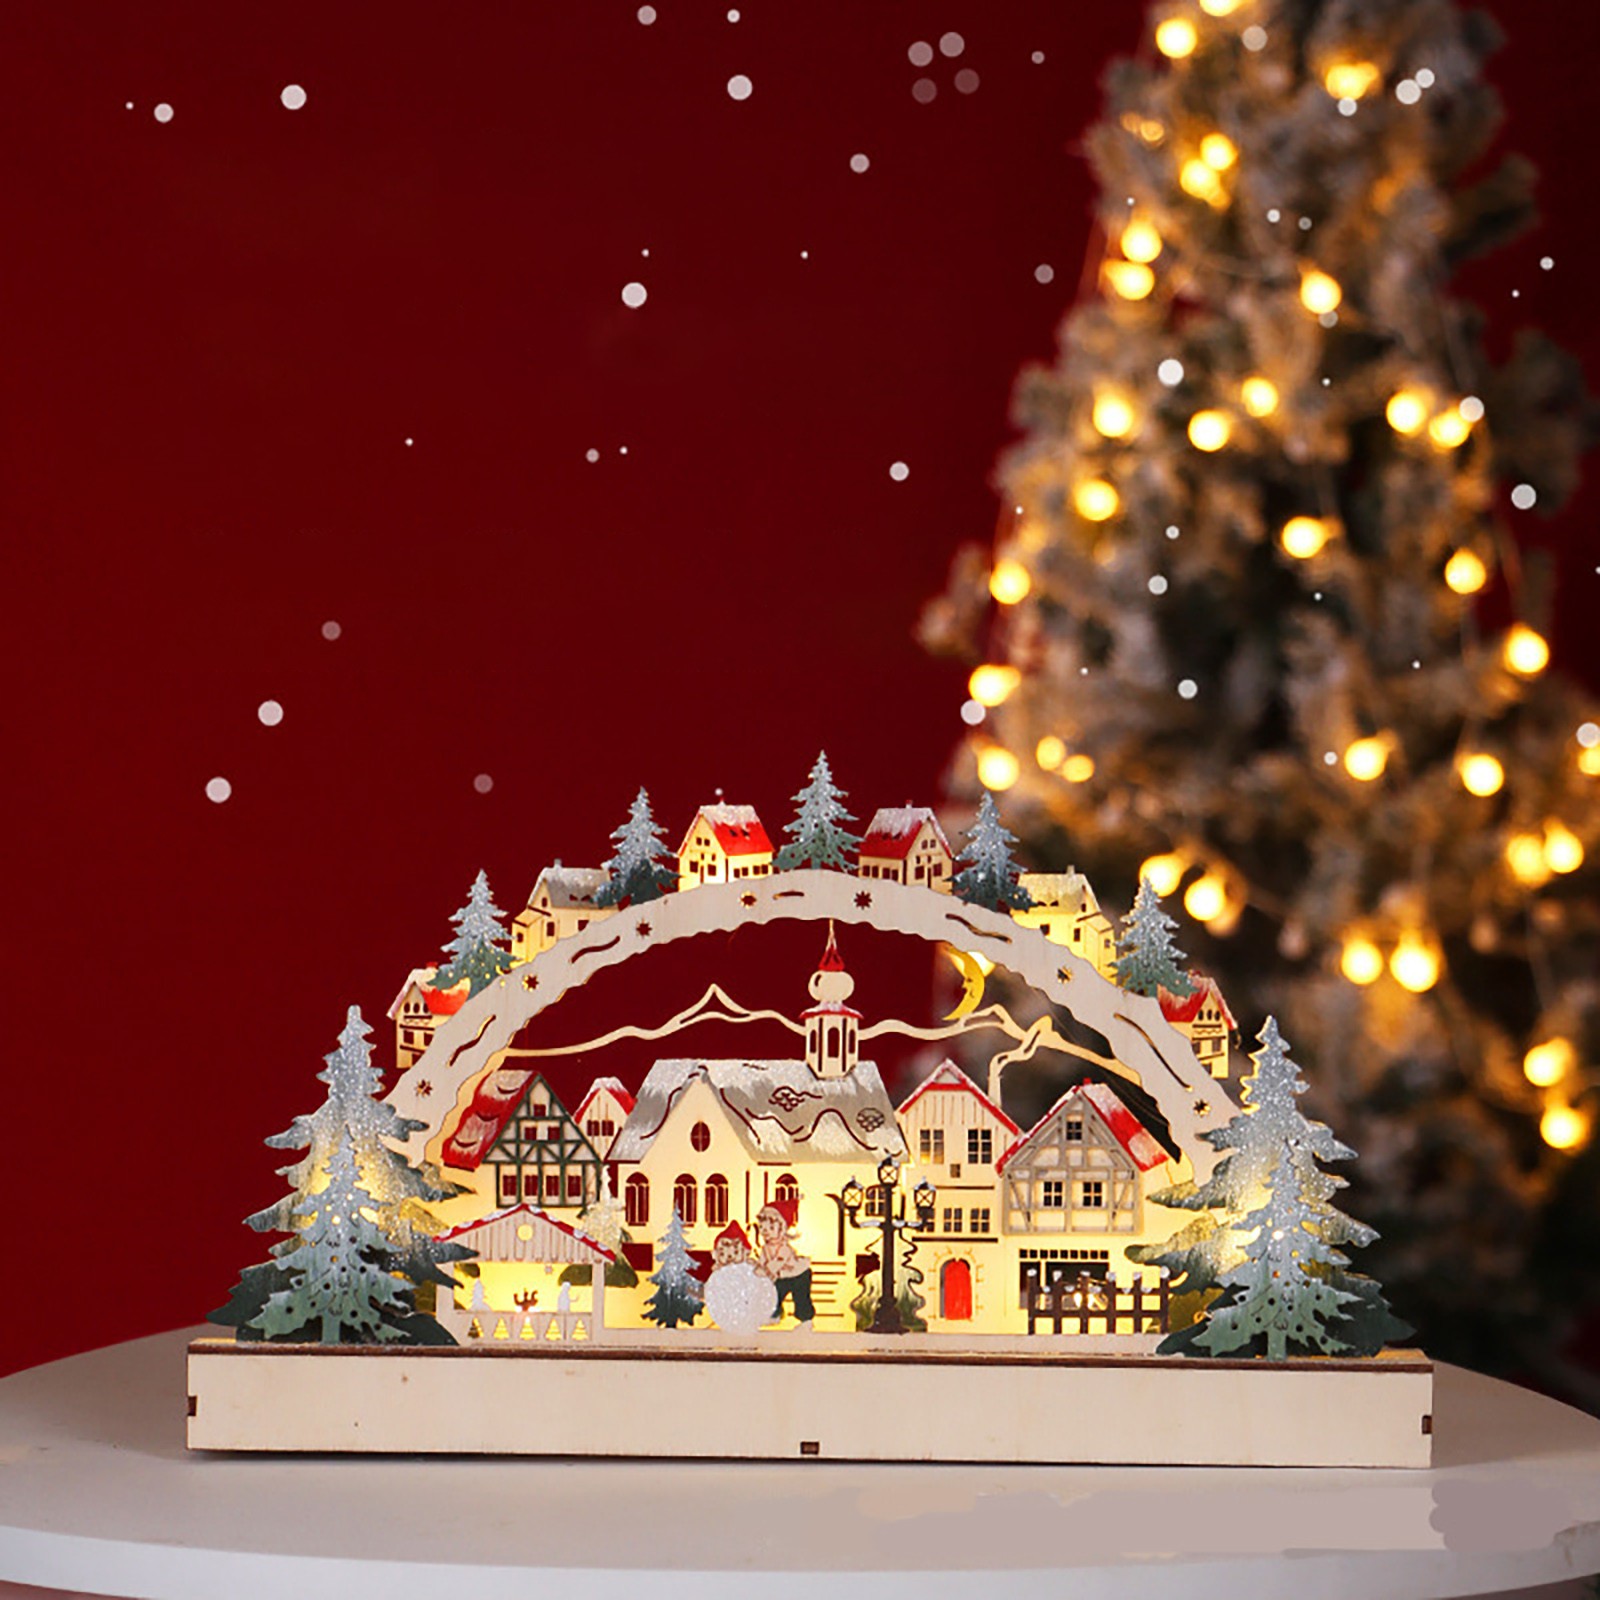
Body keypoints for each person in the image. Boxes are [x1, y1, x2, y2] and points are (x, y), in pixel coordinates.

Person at [754, 1201, 814, 1329]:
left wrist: (766, 1271)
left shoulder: (784, 1248)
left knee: (801, 1298)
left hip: (798, 1275)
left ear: (782, 1229)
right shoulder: (765, 1248)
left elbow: (776, 1264)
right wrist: (758, 1269)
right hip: (780, 1276)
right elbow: (762, 1263)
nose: (766, 1232)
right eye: (762, 1227)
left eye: (771, 1228)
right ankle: (774, 1314)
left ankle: (806, 1320)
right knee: (773, 1293)